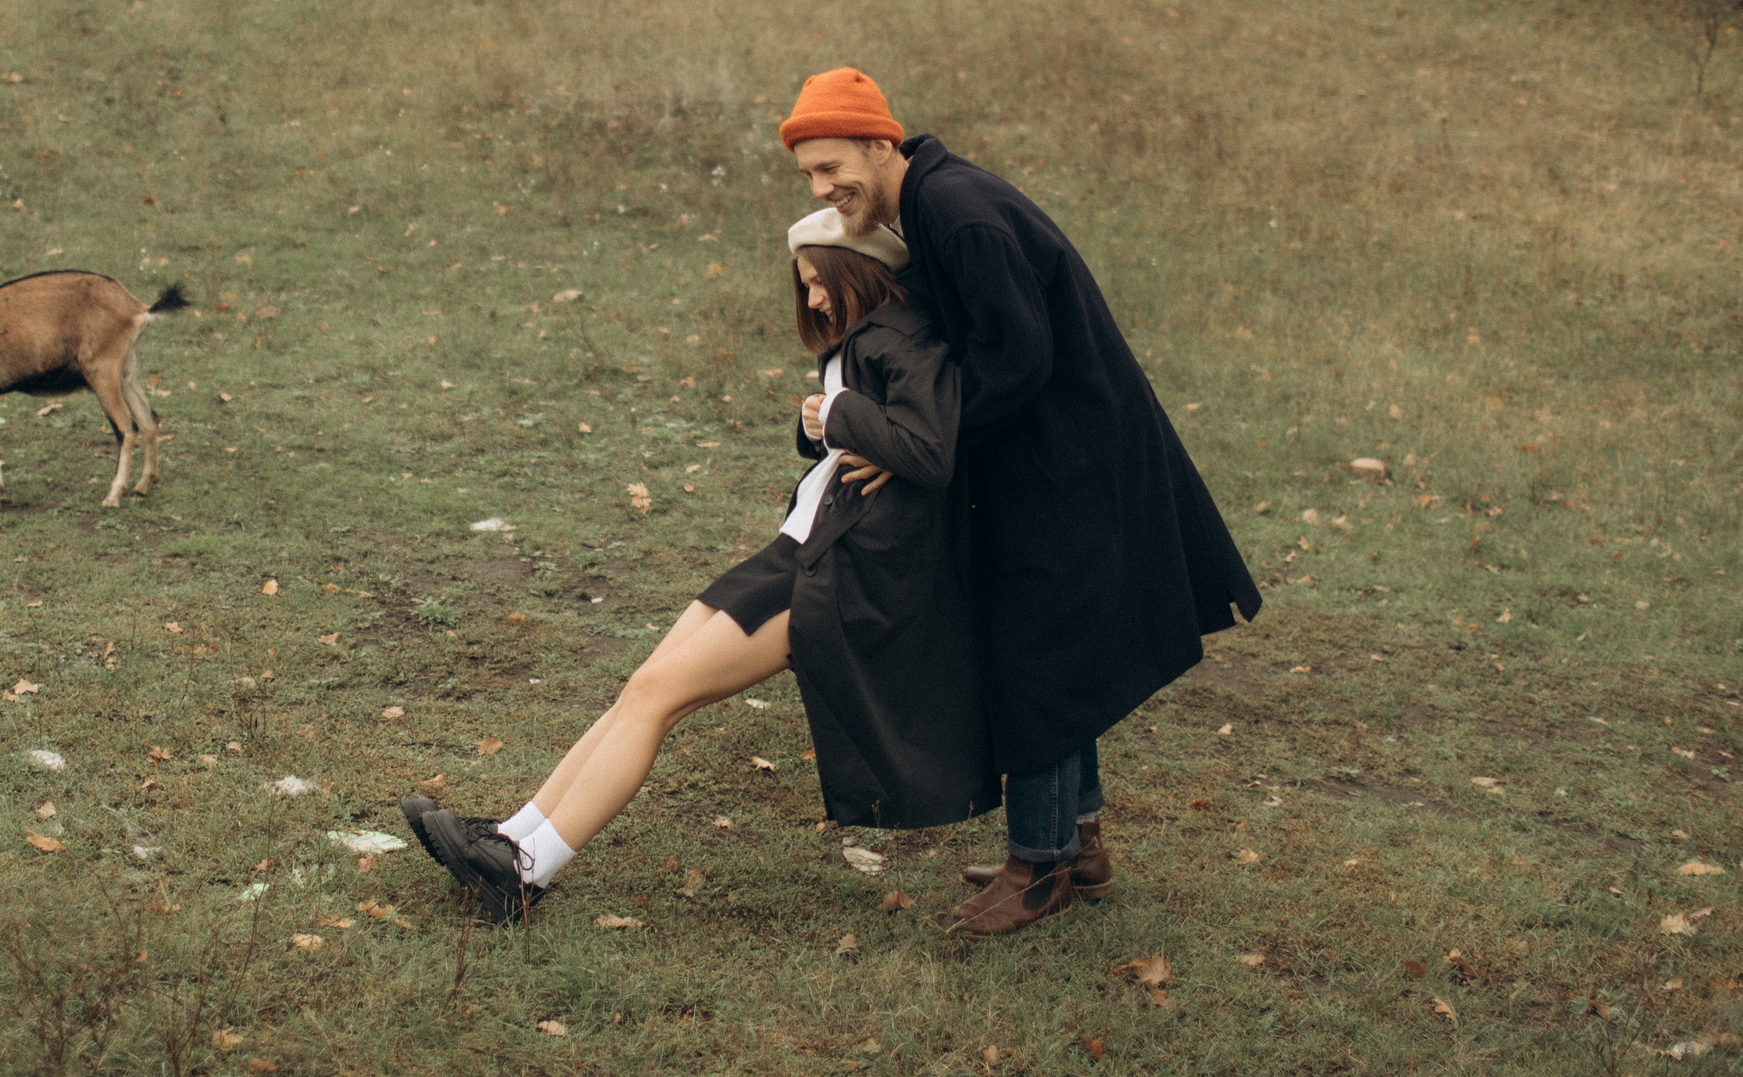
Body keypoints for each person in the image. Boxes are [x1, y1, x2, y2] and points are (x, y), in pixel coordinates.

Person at [402, 209, 997, 924]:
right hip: (799, 545)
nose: (810, 300)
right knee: (645, 686)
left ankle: (525, 873)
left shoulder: (903, 335)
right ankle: (510, 836)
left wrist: (836, 413)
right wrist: (826, 423)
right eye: (803, 285)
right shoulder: (862, 339)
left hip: (836, 571)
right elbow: (866, 437)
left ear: (855, 269)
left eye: (817, 283)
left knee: (656, 694)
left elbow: (930, 450)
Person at [779, 65, 1264, 938]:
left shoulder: (956, 211)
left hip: (1072, 457)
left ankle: (1036, 868)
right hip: (1047, 453)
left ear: (881, 143)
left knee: (1032, 655)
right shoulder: (927, 201)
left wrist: (917, 442)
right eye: (810, 175)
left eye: (831, 166)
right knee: (1050, 651)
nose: (823, 189)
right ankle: (1076, 842)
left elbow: (1018, 359)